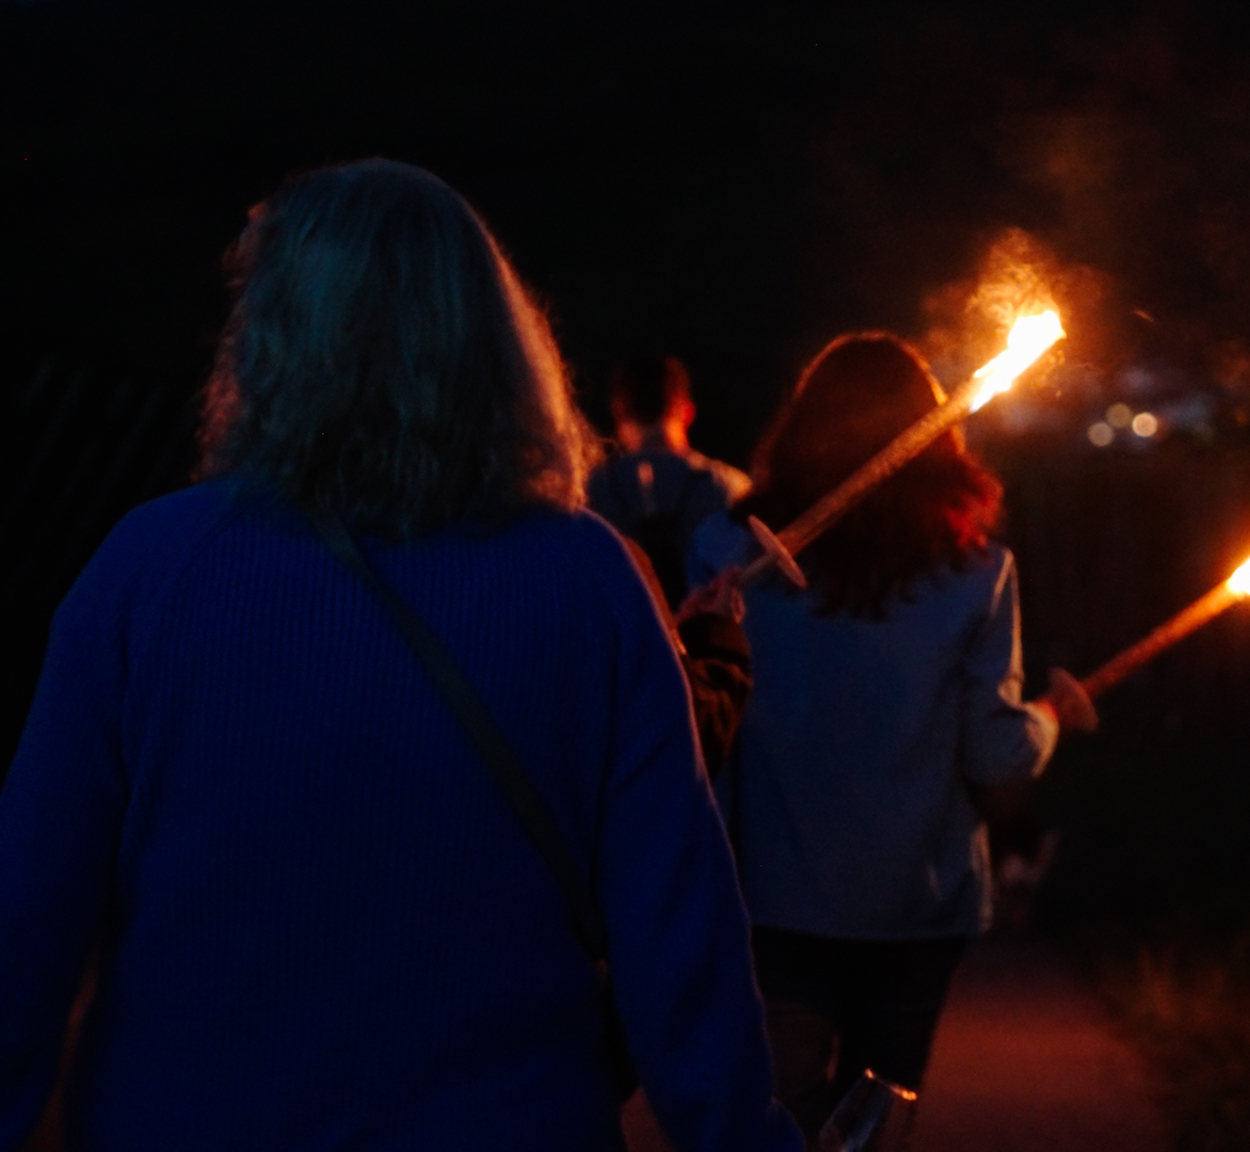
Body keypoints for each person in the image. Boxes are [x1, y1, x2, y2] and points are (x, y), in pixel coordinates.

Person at [0, 159, 800, 1152]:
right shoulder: (586, 580)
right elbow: (678, 929)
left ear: (270, 339)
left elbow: (28, 912)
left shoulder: (147, 569)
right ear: (490, 340)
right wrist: (739, 1131)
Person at [688, 332, 1091, 1139]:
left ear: (801, 426)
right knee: (871, 1128)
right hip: (914, 904)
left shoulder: (719, 550)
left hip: (773, 896)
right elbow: (997, 752)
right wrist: (1051, 718)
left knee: (780, 1128)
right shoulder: (975, 576)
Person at [585, 355, 755, 774]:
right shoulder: (733, 493)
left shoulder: (582, 495)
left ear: (618, 411)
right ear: (687, 410)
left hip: (615, 714)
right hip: (718, 709)